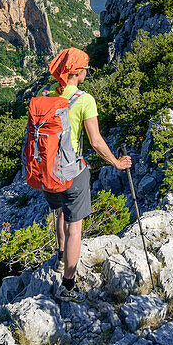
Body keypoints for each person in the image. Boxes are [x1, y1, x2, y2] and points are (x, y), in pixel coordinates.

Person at [43, 48, 132, 301]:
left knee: (60, 212)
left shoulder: (47, 94)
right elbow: (95, 141)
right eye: (86, 69)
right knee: (75, 229)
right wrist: (115, 162)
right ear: (77, 72)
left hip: (48, 171)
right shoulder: (85, 99)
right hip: (72, 172)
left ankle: (61, 258)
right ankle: (68, 286)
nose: (87, 73)